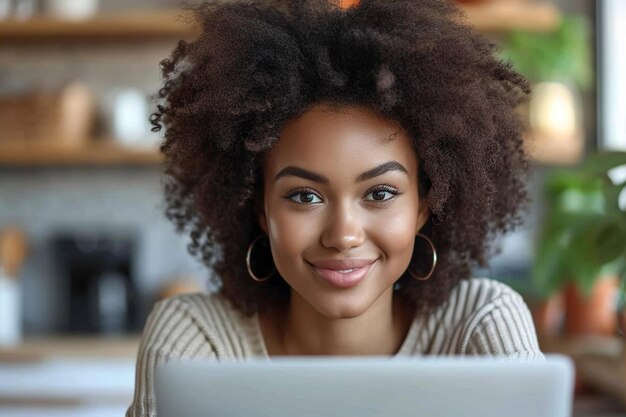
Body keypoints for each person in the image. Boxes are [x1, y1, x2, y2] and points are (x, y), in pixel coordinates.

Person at [126, 0, 543, 415]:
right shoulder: (196, 344)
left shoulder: (480, 328)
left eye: (380, 193)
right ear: (260, 209)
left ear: (424, 204)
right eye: (305, 196)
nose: (343, 235)